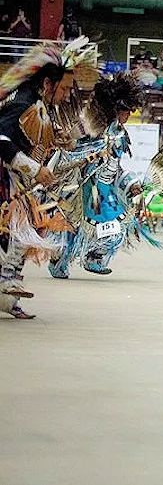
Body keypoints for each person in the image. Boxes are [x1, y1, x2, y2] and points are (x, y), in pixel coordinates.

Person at [0, 37, 98, 318]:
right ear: (47, 84)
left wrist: (60, 142)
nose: (68, 95)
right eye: (65, 88)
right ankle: (7, 288)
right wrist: (35, 169)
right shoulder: (24, 102)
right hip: (7, 181)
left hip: (18, 185)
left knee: (19, 235)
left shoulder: (40, 103)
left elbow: (31, 136)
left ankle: (8, 292)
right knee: (13, 235)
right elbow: (2, 138)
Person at [48, 73, 152, 279]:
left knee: (117, 230)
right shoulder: (94, 132)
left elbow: (116, 168)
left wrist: (130, 183)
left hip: (106, 192)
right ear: (115, 110)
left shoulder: (119, 135)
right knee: (74, 230)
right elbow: (73, 154)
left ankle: (93, 258)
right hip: (86, 189)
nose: (128, 116)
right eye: (126, 111)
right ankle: (60, 261)